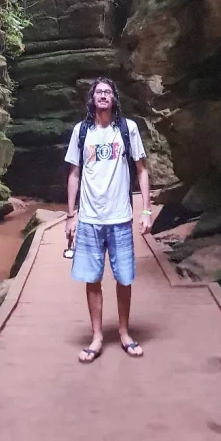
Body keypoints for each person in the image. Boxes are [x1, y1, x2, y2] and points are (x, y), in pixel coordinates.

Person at [64, 77, 151, 364]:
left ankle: (124, 333)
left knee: (124, 278)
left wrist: (147, 210)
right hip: (89, 219)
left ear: (114, 99)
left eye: (108, 92)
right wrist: (70, 216)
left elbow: (141, 170)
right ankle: (97, 337)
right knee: (92, 279)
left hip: (120, 217)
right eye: (99, 92)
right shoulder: (81, 132)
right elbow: (74, 174)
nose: (103, 96)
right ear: (92, 98)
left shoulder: (127, 129)